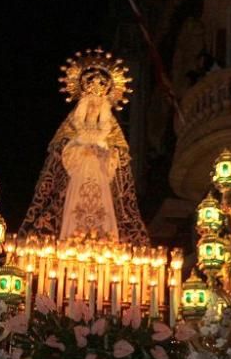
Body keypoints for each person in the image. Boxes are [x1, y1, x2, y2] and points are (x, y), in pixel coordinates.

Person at [21, 51, 150, 245]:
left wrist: (105, 155)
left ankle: (105, 244)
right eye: (90, 106)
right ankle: (71, 240)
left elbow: (114, 165)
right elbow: (66, 156)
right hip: (80, 176)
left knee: (103, 211)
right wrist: (81, 151)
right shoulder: (75, 129)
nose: (93, 110)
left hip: (100, 178)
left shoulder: (108, 132)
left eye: (97, 107)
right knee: (75, 209)